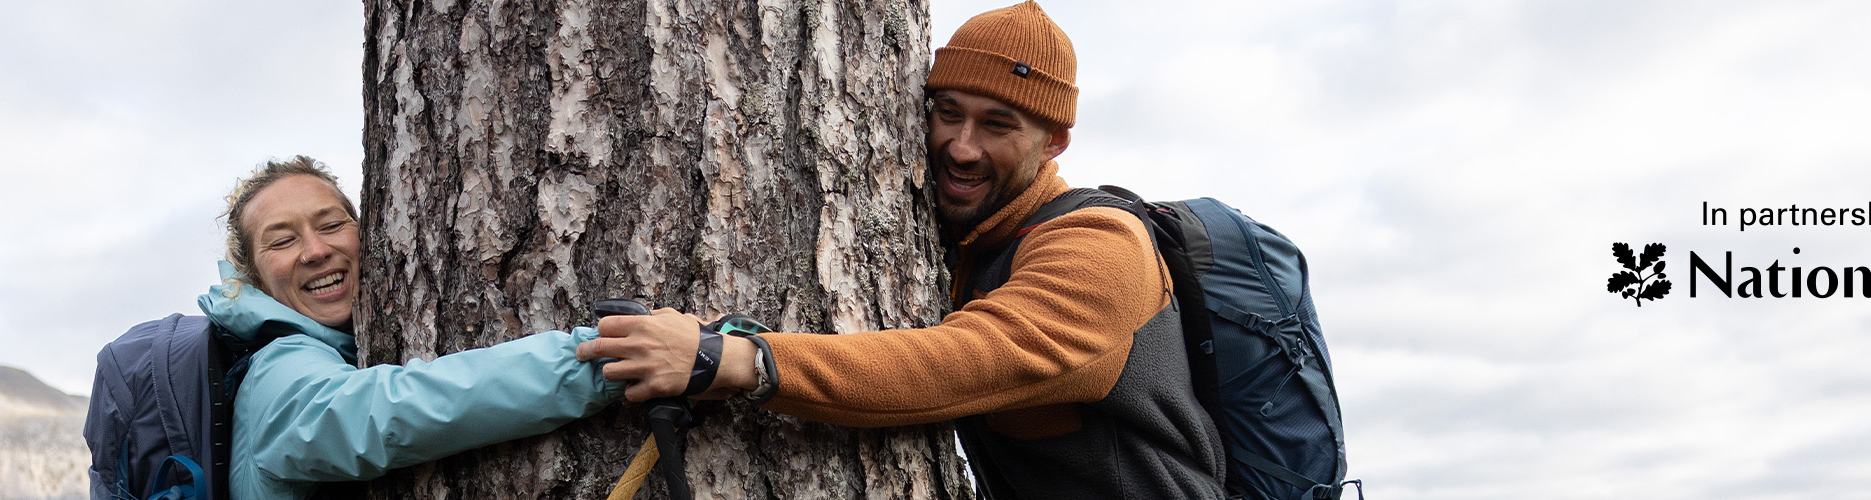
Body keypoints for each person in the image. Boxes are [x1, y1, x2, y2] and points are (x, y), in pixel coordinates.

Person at [576, 2, 1220, 499]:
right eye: (947, 112)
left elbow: (972, 358)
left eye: (998, 125)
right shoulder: (968, 243)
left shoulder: (1100, 244)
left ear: (1054, 143)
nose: (962, 147)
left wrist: (734, 360)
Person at [203, 156, 618, 499]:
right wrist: (609, 358)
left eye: (331, 225)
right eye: (282, 241)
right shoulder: (275, 371)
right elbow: (392, 410)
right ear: (253, 279)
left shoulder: (333, 354)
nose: (315, 250)